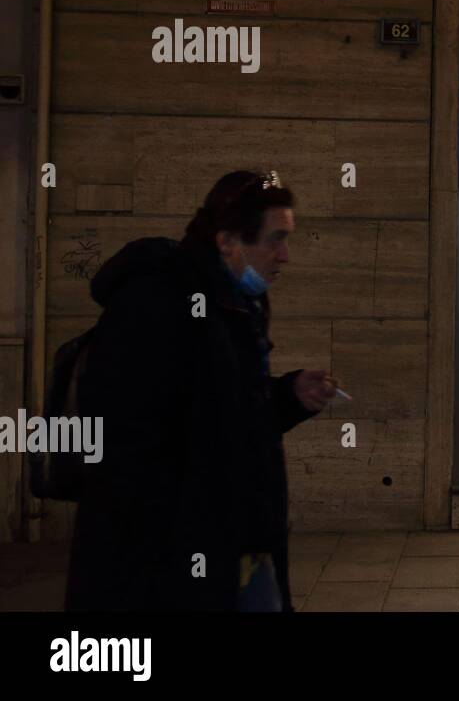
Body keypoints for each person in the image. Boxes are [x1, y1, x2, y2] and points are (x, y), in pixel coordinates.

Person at [65, 170, 337, 611]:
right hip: (176, 559)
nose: (285, 255)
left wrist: (288, 395)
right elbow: (131, 444)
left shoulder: (234, 301)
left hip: (238, 545)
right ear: (228, 241)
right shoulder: (155, 304)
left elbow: (227, 405)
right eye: (275, 239)